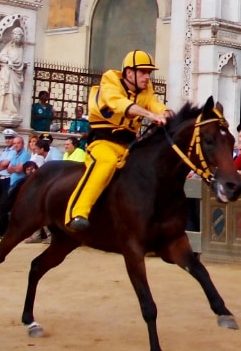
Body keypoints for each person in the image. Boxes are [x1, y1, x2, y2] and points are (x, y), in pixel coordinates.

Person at [65, 50, 170, 231]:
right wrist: (150, 114)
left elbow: (154, 102)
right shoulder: (110, 81)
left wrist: (165, 112)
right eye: (143, 72)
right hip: (102, 142)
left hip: (128, 146)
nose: (147, 77)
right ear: (129, 72)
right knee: (106, 162)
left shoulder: (146, 89)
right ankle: (77, 213)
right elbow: (118, 103)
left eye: (149, 73)